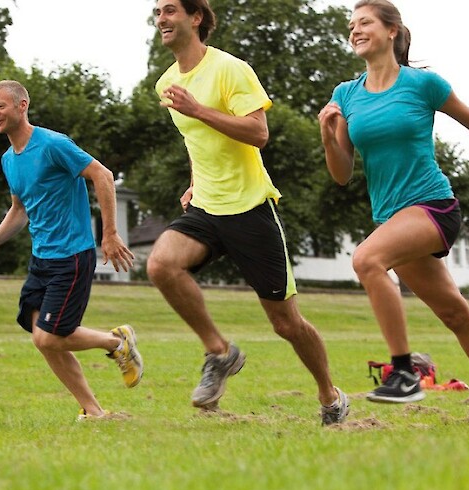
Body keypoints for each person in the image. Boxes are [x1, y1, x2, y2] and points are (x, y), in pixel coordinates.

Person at [318, 0, 469, 425]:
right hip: (392, 219)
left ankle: (404, 373)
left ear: (391, 30)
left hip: (432, 205)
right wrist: (327, 134)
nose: (355, 30)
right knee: (454, 313)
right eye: (351, 24)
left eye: (365, 22)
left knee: (367, 259)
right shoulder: (345, 95)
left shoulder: (422, 85)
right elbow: (341, 174)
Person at [147, 0, 349, 426]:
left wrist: (198, 108)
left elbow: (258, 132)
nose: (160, 19)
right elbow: (196, 141)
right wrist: (194, 181)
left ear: (195, 17)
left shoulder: (230, 69)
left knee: (286, 323)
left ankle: (330, 395)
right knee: (162, 264)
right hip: (206, 205)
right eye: (157, 12)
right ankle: (219, 352)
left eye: (169, 10)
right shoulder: (167, 81)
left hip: (250, 207)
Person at [0, 80, 143, 420]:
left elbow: (102, 175)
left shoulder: (52, 144)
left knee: (48, 339)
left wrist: (110, 234)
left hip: (72, 256)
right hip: (41, 260)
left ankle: (116, 343)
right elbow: (20, 209)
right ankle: (93, 411)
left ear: (22, 105)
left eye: (0, 106)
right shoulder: (9, 160)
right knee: (42, 338)